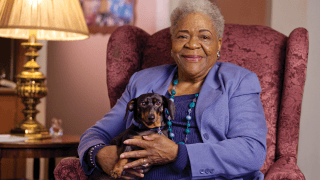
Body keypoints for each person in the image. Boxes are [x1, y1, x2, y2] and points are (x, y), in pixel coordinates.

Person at [78, 0, 267, 179]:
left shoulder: (239, 81)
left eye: (204, 37)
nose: (192, 44)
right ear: (172, 43)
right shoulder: (142, 81)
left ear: (218, 44)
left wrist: (178, 153)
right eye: (183, 36)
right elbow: (96, 133)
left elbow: (252, 151)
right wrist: (98, 153)